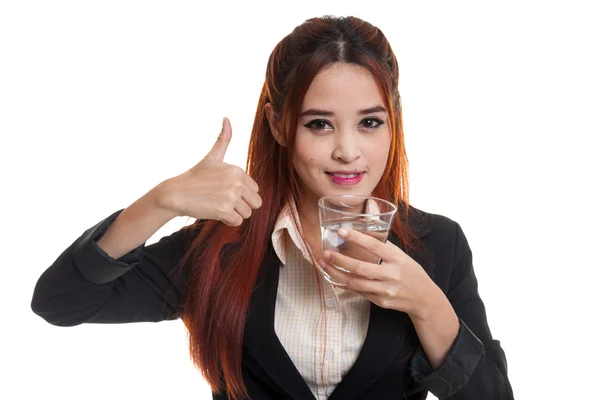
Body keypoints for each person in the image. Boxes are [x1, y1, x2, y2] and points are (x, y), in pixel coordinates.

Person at [31, 15, 513, 400]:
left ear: (393, 124)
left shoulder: (438, 245)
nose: (348, 150)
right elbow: (60, 300)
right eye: (320, 124)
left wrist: (427, 305)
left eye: (369, 122)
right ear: (279, 127)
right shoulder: (221, 247)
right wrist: (163, 200)